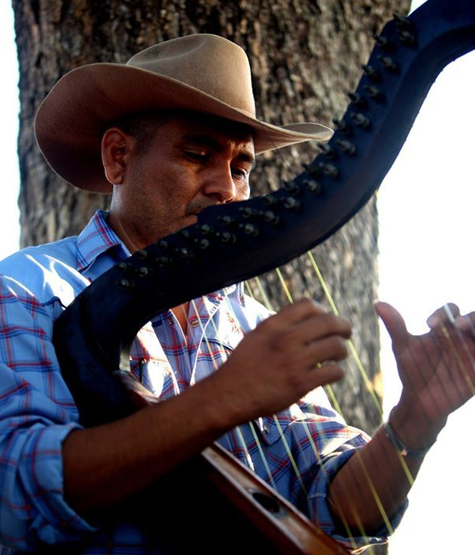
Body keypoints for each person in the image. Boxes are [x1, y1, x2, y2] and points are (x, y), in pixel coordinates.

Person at [0, 34, 474, 554]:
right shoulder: (28, 290)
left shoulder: (253, 327)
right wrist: (220, 400)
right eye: (197, 155)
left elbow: (339, 507)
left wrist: (417, 415)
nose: (225, 188)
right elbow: (13, 494)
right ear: (118, 157)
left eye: (241, 169)